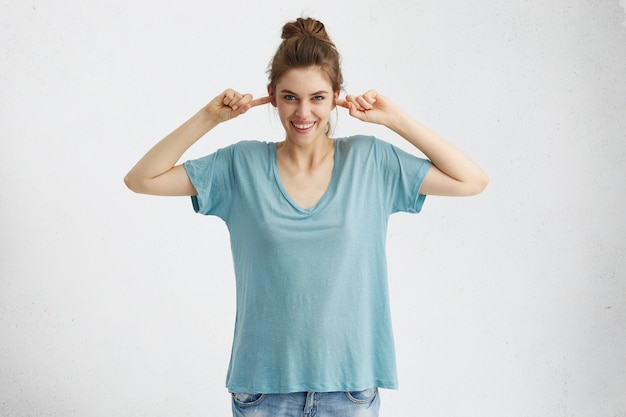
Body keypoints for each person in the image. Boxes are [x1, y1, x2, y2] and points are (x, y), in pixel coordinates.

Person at [124, 16, 487, 417]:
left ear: (336, 97)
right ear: (272, 96)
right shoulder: (240, 165)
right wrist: (211, 117)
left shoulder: (370, 161)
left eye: (317, 97)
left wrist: (394, 119)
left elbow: (471, 180)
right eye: (290, 96)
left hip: (350, 390)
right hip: (263, 392)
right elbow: (141, 179)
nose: (303, 112)